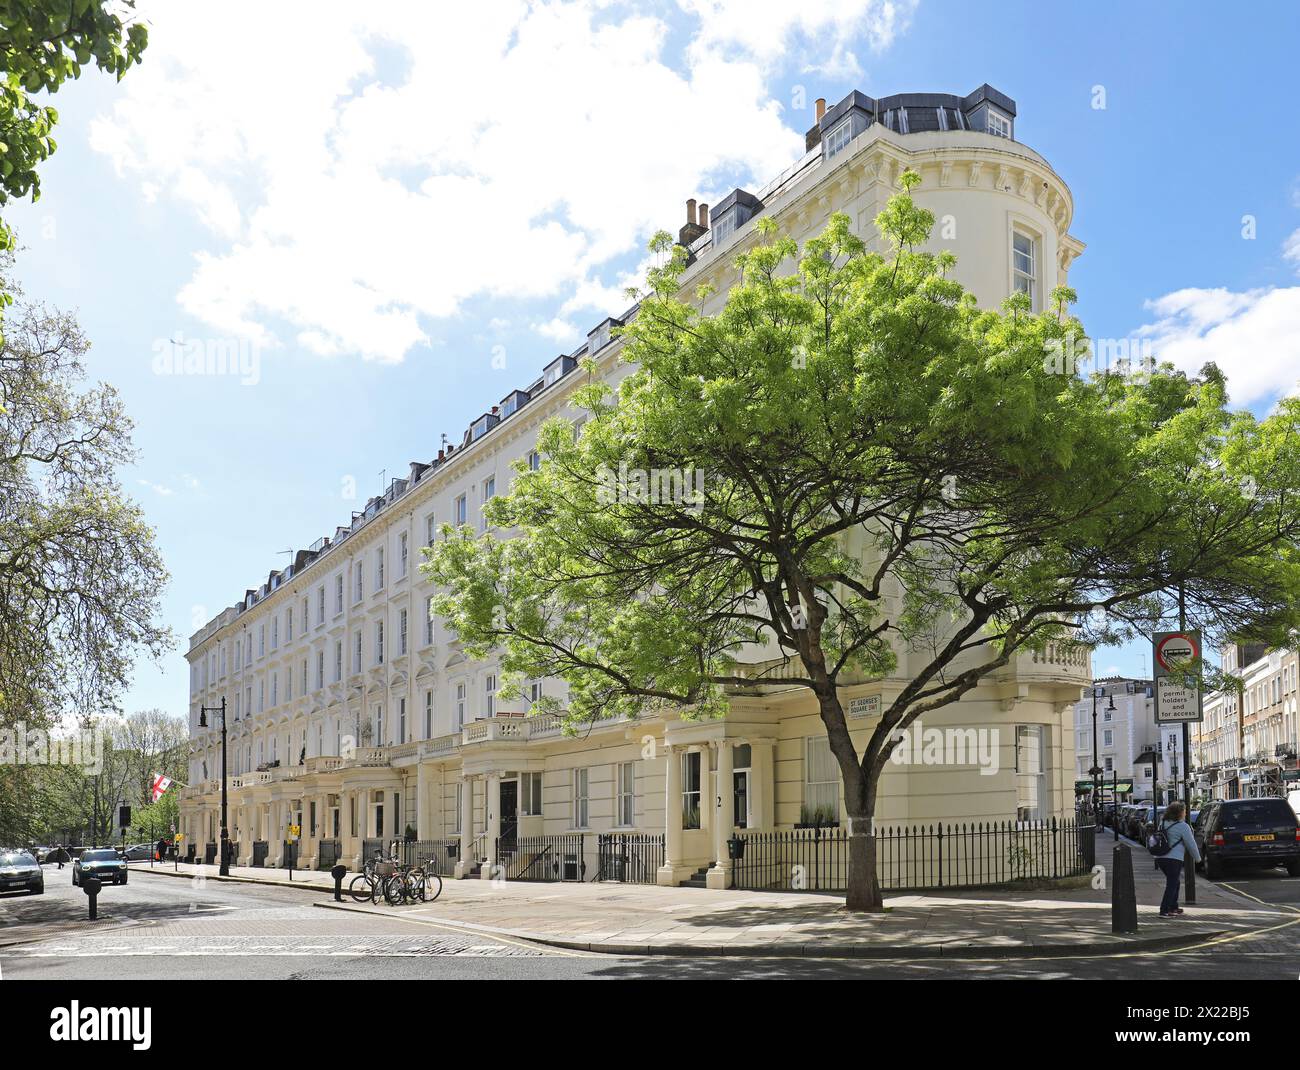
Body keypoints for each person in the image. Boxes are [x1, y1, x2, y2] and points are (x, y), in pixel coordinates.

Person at [1154, 800, 1200, 918]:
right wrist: (1198, 858)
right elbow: (1191, 844)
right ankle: (1164, 910)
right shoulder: (1183, 826)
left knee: (1175, 882)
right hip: (1173, 859)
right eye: (1184, 811)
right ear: (1179, 813)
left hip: (1160, 857)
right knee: (1172, 884)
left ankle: (1173, 907)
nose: (1185, 813)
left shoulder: (1163, 823)